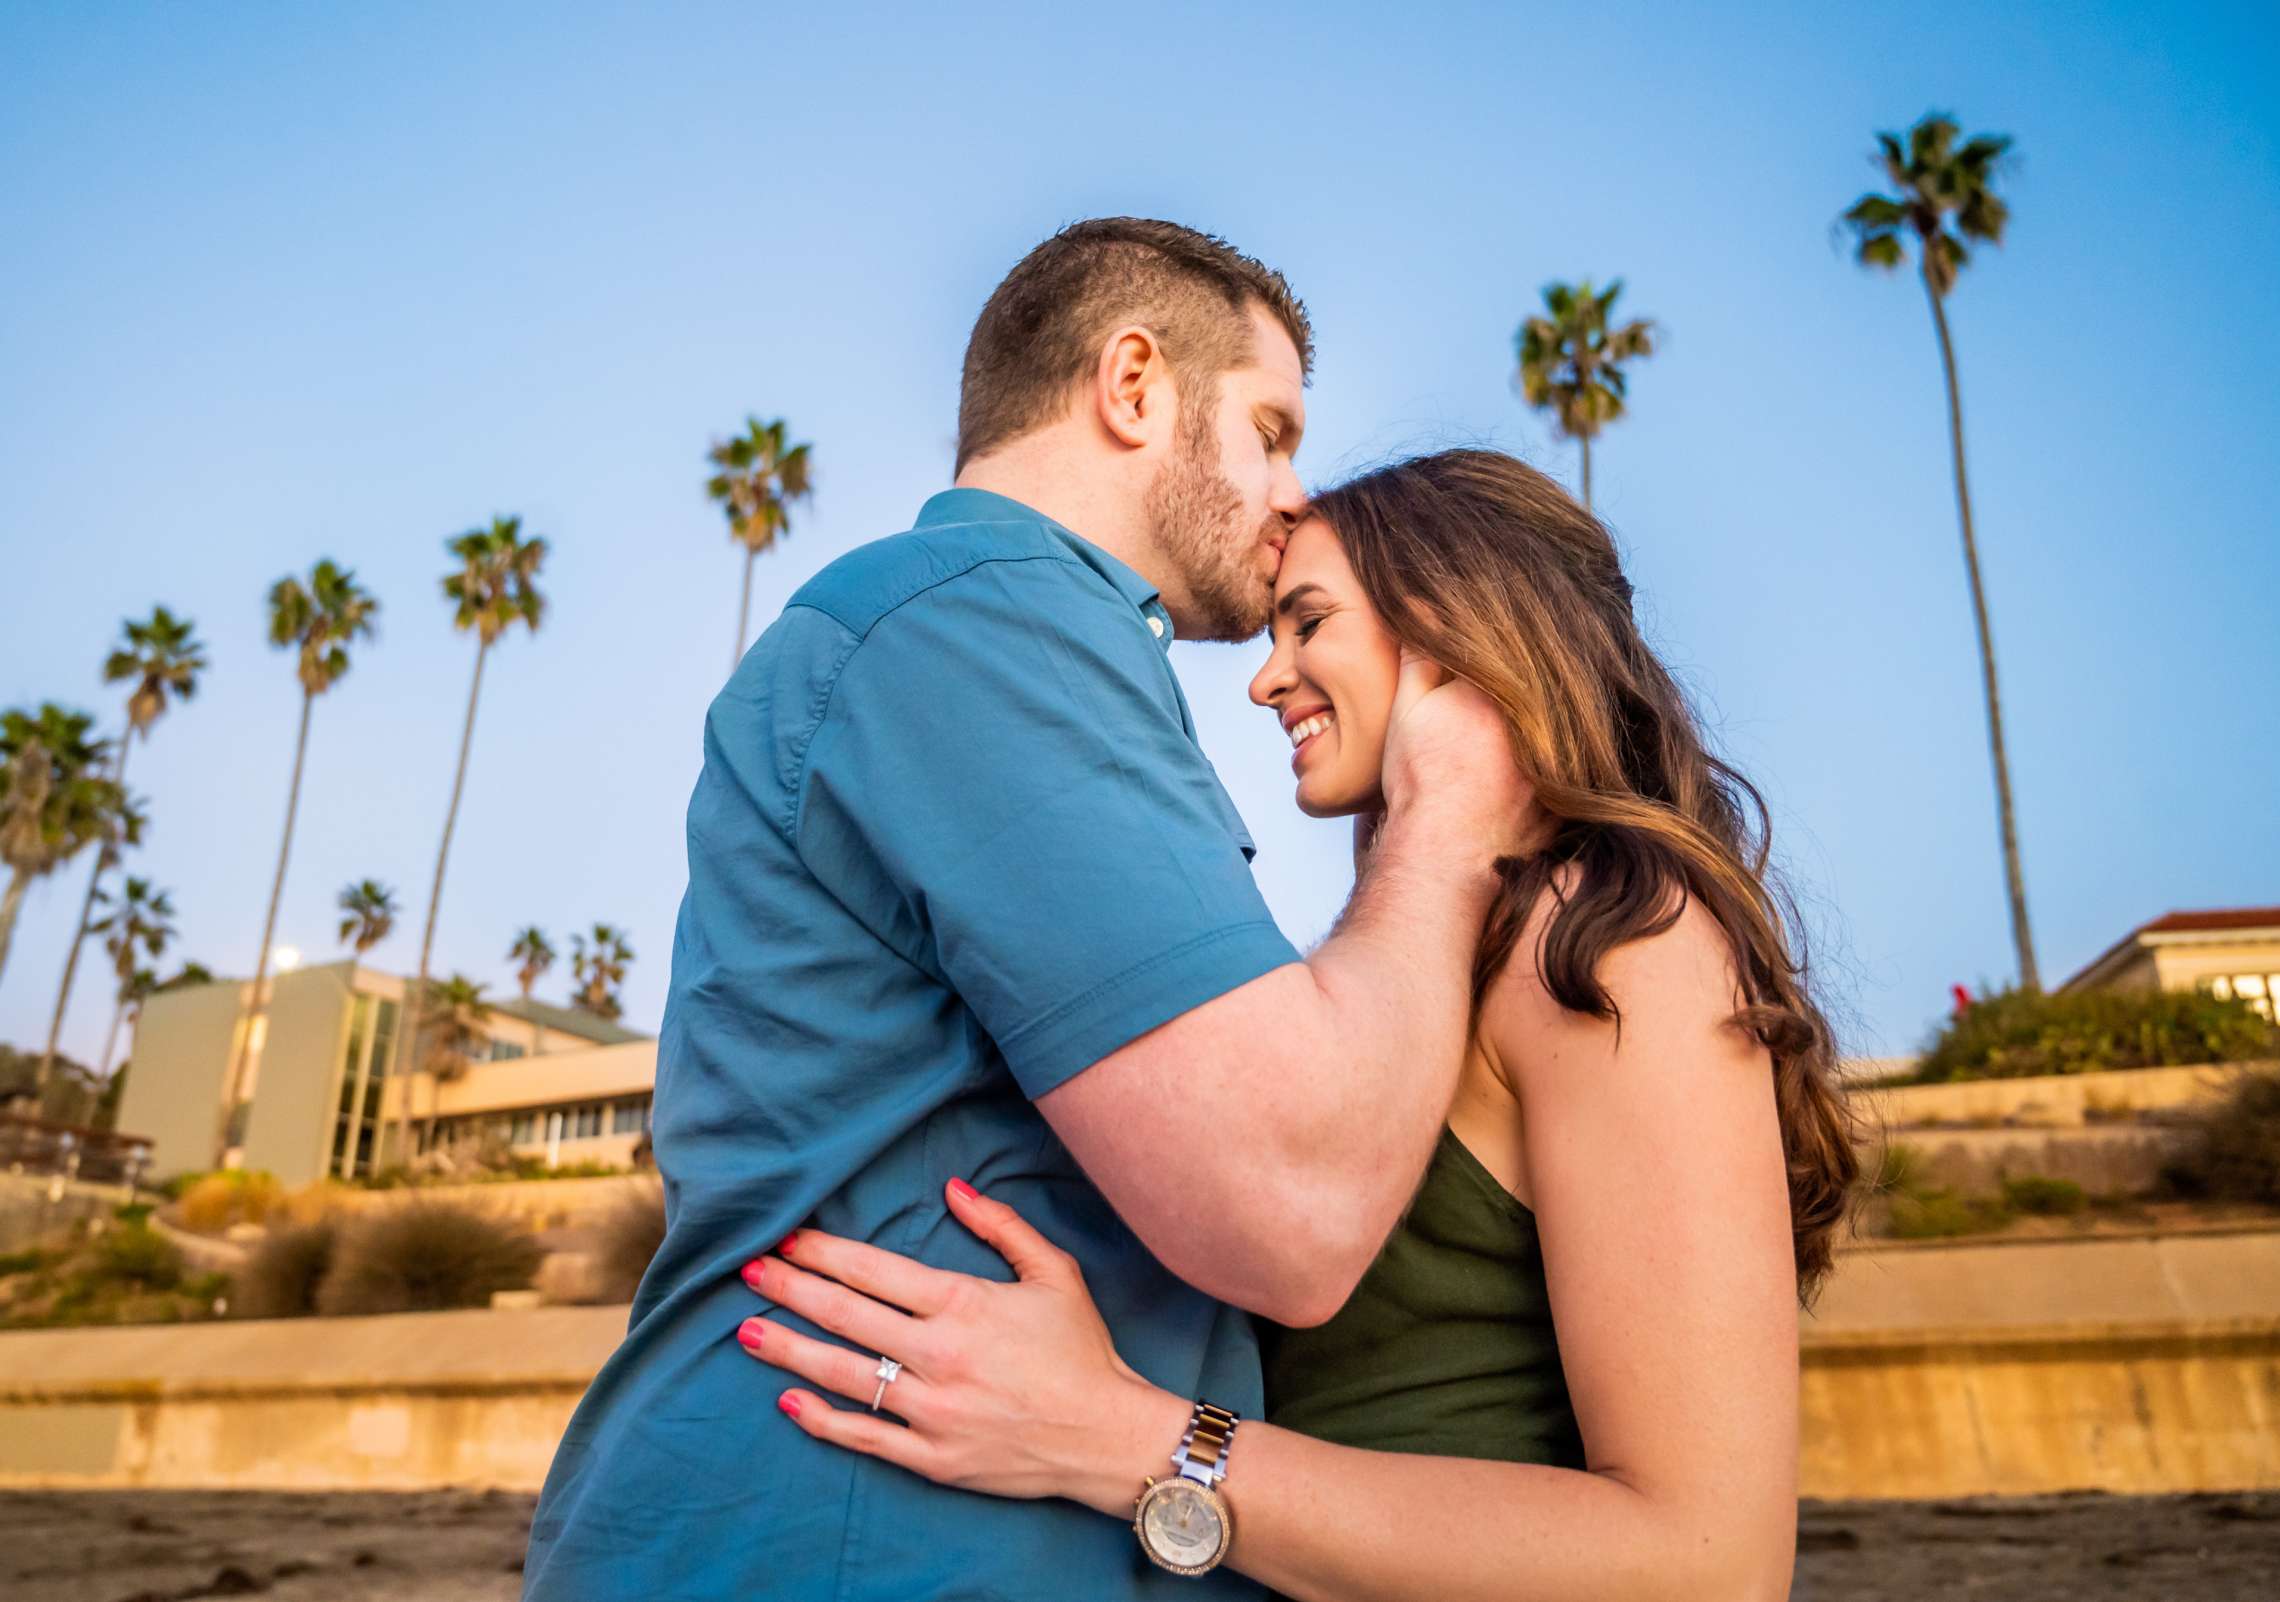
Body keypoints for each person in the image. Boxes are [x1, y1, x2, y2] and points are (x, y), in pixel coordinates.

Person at [521, 222, 1538, 1600]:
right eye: (1271, 429)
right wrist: (1449, 814)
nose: (1294, 495)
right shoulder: (984, 622)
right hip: (850, 1548)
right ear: (1133, 385)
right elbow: (1290, 1207)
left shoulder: (986, 635)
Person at [730, 449, 1862, 1602]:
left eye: (1308, 622)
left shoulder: (1616, 939)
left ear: (1454, 628)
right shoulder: (1427, 958)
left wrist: (1121, 1439)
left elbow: (1707, 1566)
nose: (1268, 681)